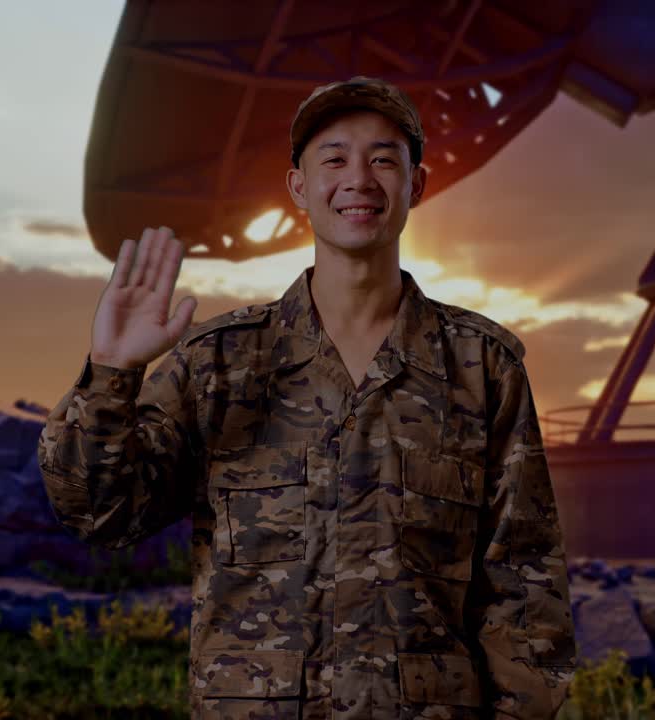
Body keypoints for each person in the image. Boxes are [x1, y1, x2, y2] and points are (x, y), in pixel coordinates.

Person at [38, 76, 576, 719]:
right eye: (334, 158)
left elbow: (524, 586)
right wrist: (112, 372)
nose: (359, 179)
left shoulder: (481, 368)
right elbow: (101, 512)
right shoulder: (218, 365)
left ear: (418, 184)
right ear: (298, 187)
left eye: (383, 158)